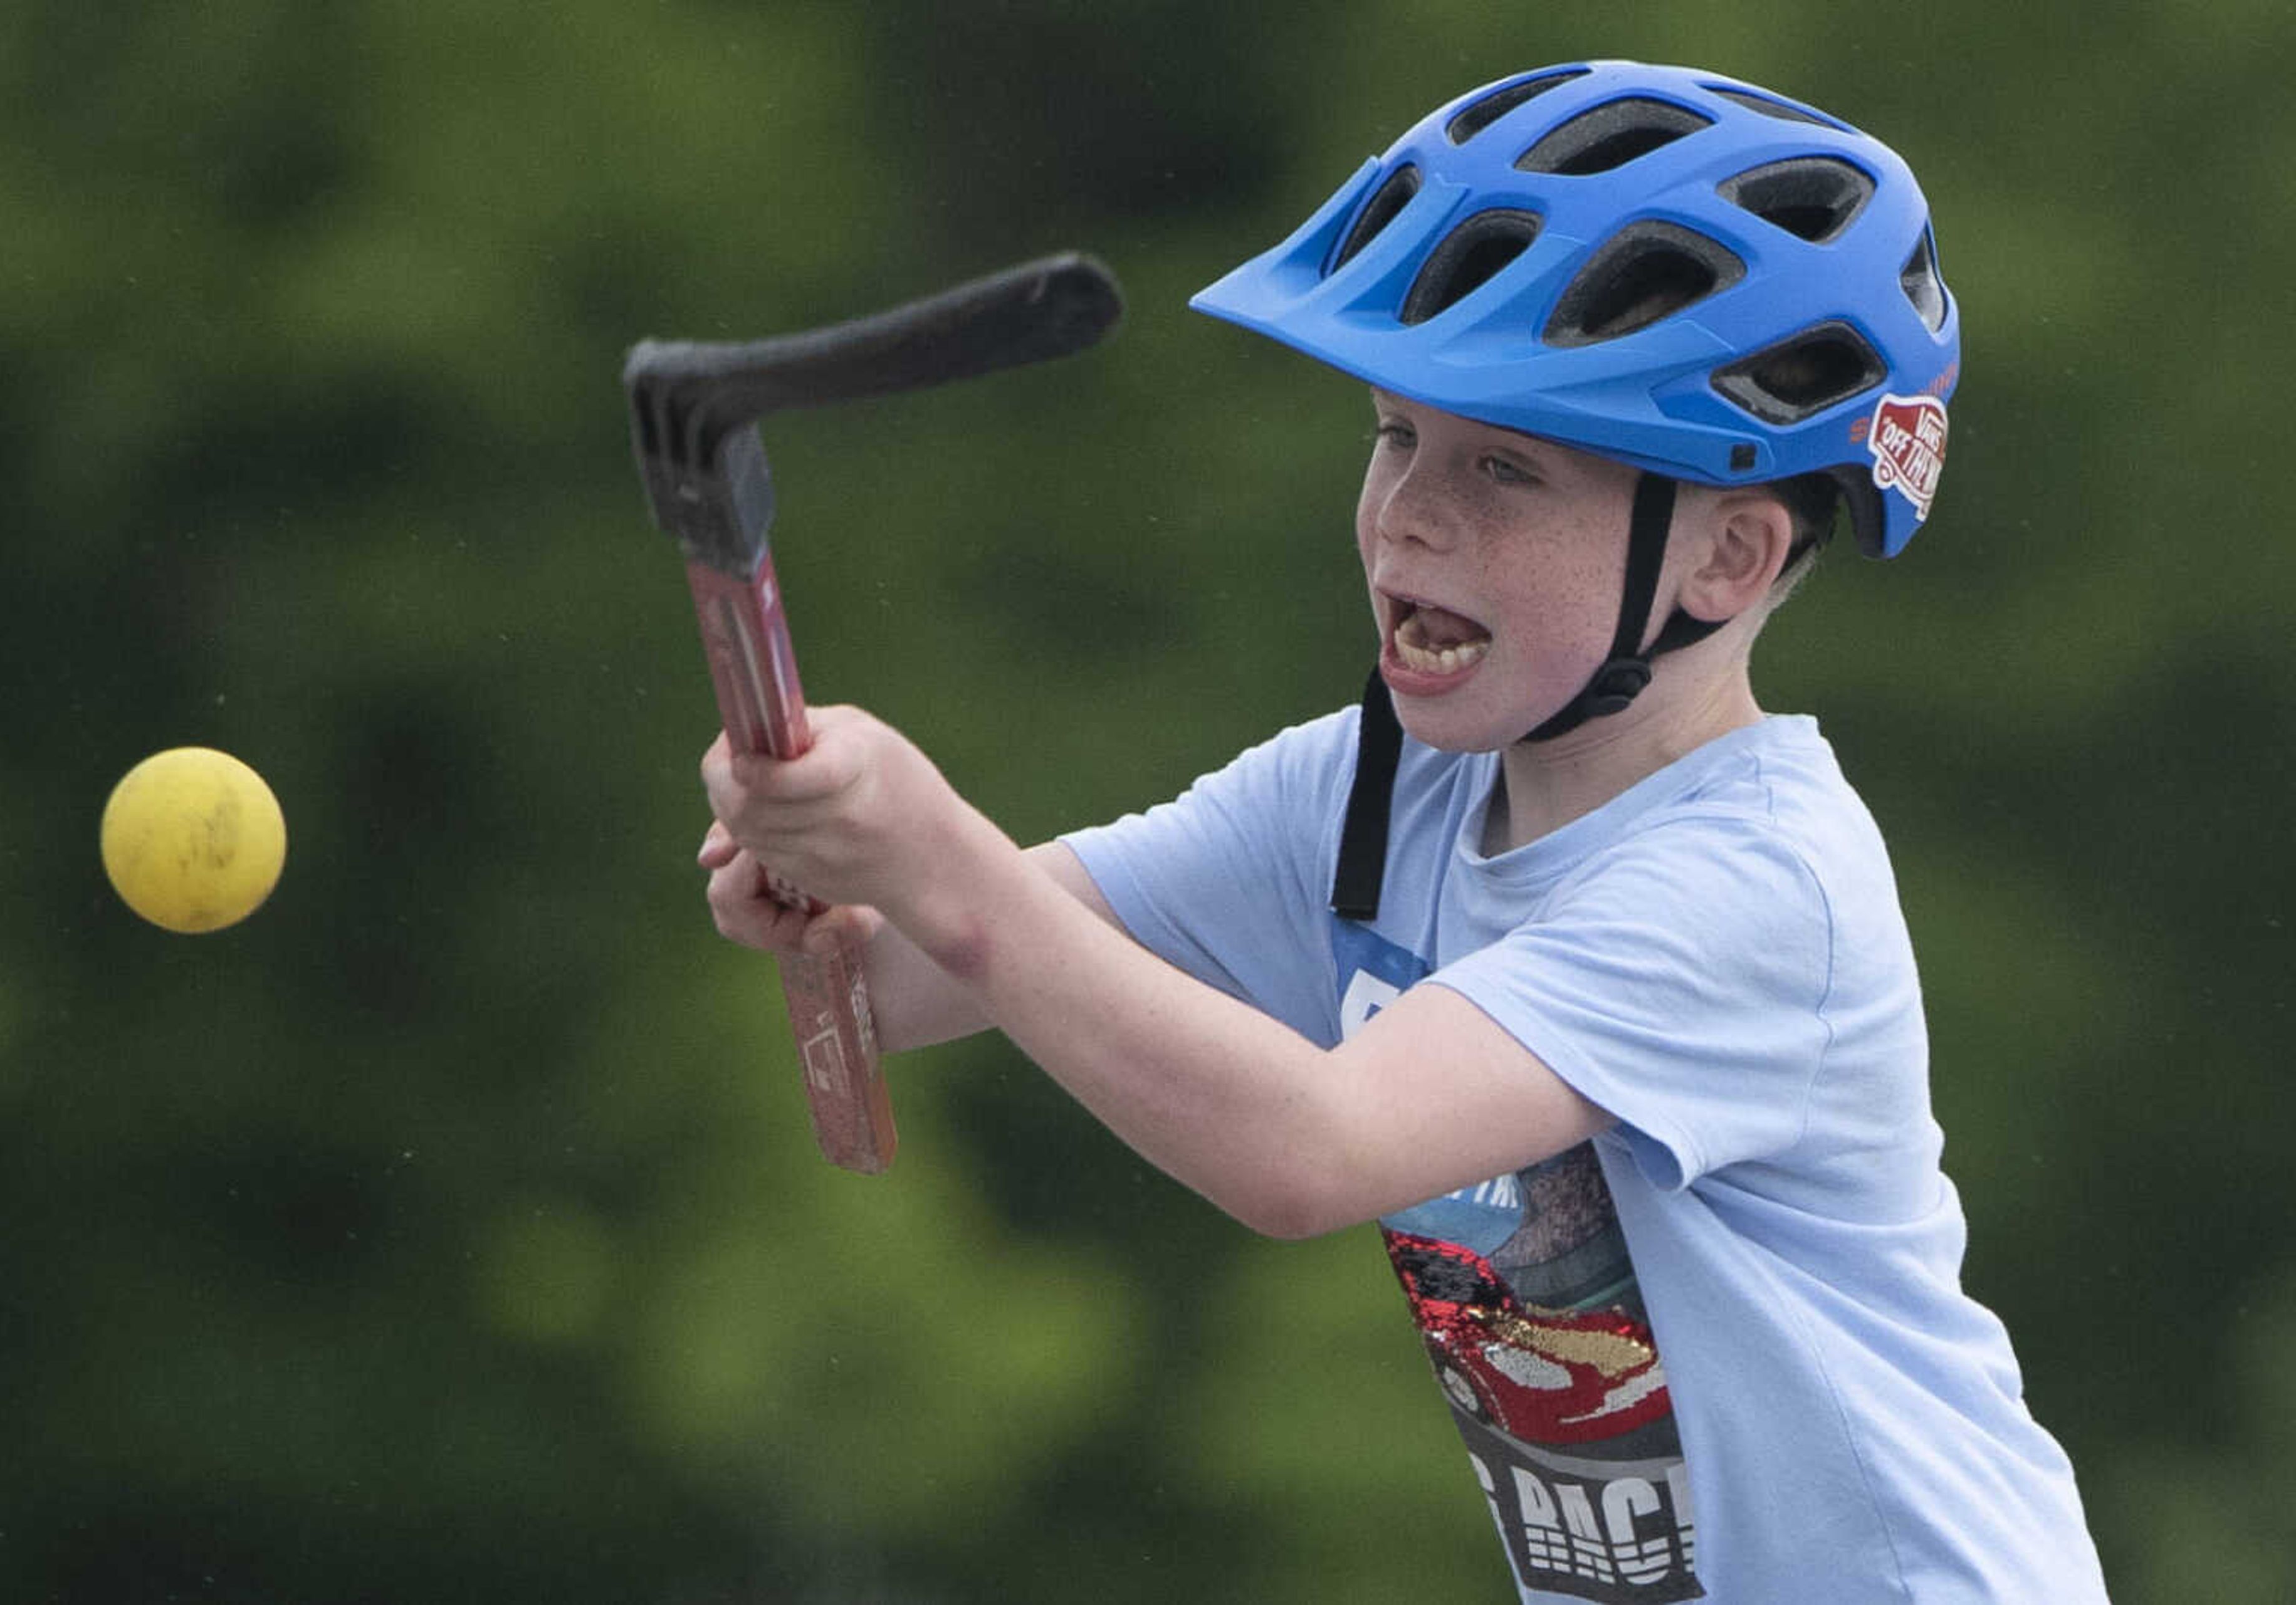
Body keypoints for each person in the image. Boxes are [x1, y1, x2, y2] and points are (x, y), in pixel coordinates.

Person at [698, 60, 2109, 1604]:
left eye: (1506, 466)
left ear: (1725, 555)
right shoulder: (1375, 789)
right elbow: (912, 983)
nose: (1406, 518)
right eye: (1393, 439)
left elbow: (1313, 1152)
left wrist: (934, 857)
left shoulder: (1756, 883)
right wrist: (828, 865)